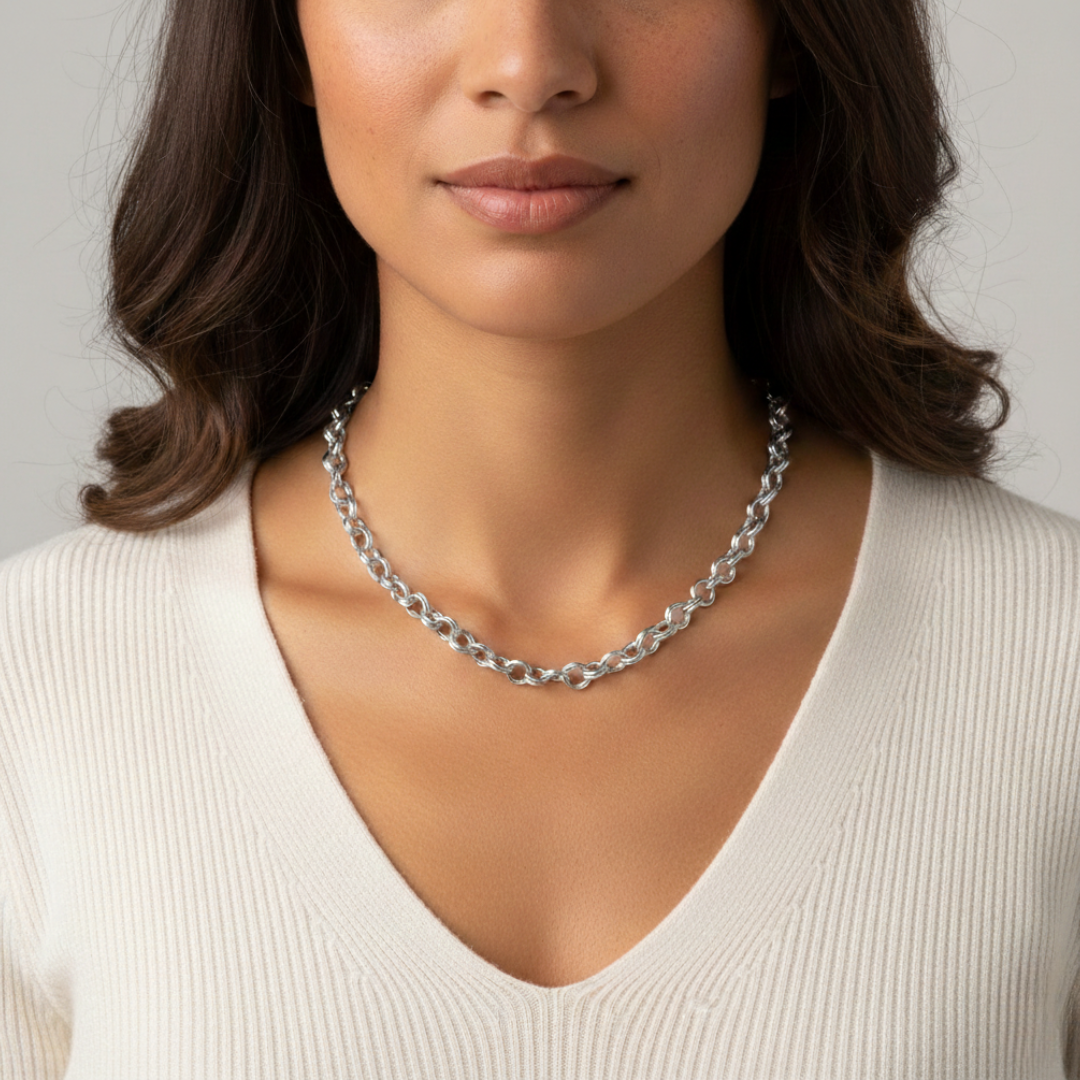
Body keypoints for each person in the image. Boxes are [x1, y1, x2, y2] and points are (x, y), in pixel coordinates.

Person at [1, 0, 1077, 1075]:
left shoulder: (1051, 660)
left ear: (792, 35)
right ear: (286, 40)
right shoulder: (37, 681)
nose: (529, 66)